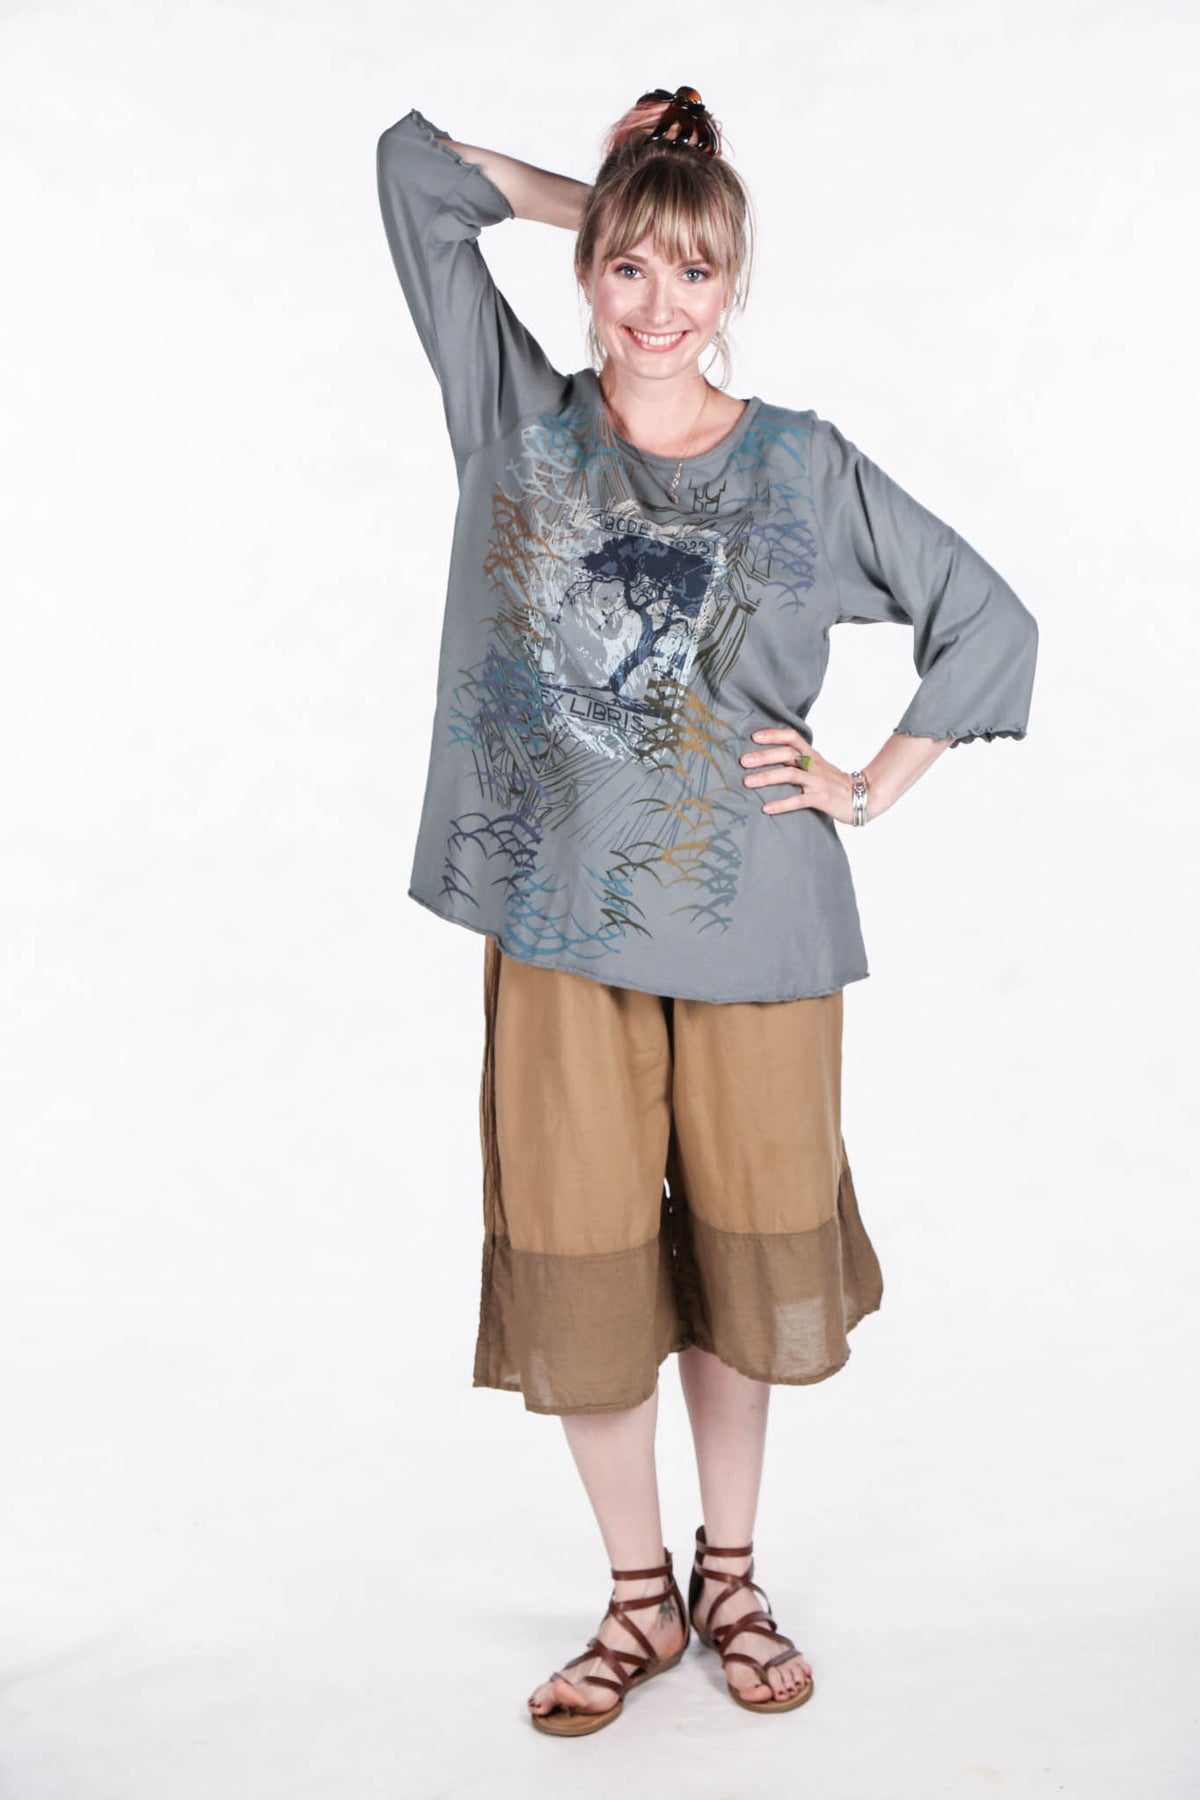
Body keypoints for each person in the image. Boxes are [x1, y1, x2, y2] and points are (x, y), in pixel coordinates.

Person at [375, 84, 1038, 1737]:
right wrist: (612, 185)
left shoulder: (805, 468)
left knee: (742, 1261)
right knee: (587, 1261)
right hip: (559, 929)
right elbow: (413, 173)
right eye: (629, 266)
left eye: (693, 269)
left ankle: (731, 1576)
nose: (659, 305)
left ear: (733, 284)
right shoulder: (518, 425)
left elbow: (990, 620)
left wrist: (865, 785)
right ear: (591, 272)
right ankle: (636, 1598)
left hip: (760, 935)